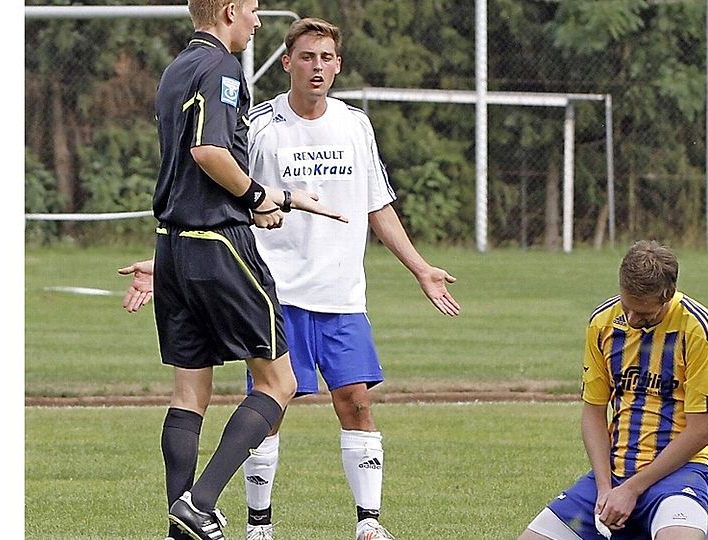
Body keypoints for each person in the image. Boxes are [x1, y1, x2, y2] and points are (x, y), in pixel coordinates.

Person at [119, 2, 346, 540]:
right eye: (250, 9)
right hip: (219, 244)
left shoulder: (177, 67)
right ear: (227, 11)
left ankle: (180, 524)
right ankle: (199, 504)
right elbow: (208, 152)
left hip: (174, 245)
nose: (258, 21)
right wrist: (262, 194)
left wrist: (254, 204)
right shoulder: (221, 67)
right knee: (279, 381)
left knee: (189, 393)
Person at [239, 17, 460, 540]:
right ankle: (259, 525)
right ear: (287, 61)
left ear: (337, 65)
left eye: (327, 58)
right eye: (308, 57)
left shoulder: (355, 124)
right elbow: (229, 200)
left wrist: (421, 268)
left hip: (341, 295)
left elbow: (377, 204)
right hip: (277, 293)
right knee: (269, 408)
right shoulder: (260, 125)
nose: (317, 67)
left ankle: (368, 524)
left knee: (356, 401)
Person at [518, 240, 708, 540]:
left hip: (680, 472)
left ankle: (704, 530)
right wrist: (606, 489)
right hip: (615, 470)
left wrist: (631, 490)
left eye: (643, 314)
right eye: (626, 306)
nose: (631, 319)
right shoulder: (603, 323)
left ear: (666, 296)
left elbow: (700, 432)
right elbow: (593, 412)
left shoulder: (698, 329)